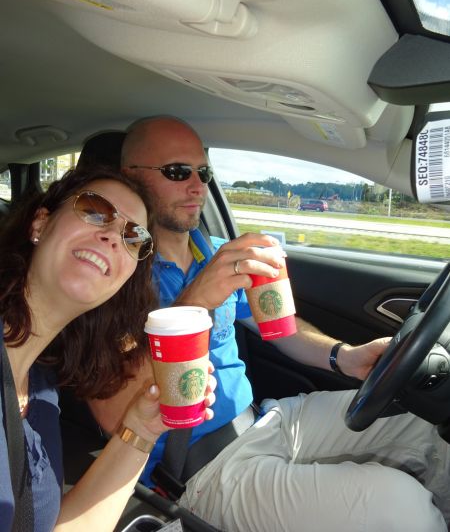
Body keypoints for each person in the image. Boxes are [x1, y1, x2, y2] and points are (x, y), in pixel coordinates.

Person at [92, 116, 449, 532]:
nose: (197, 186)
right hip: (198, 469)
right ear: (131, 176)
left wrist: (344, 356)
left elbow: (284, 332)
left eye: (204, 172)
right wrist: (195, 303)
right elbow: (112, 414)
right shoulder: (116, 275)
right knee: (399, 505)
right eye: (177, 171)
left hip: (262, 420)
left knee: (423, 418)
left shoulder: (216, 252)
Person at [0, 165, 216, 532]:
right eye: (95, 210)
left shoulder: (41, 387)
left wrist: (141, 429)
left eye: (134, 236)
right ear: (41, 224)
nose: (114, 236)